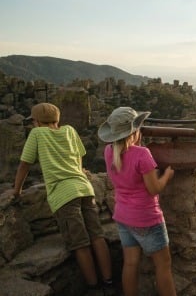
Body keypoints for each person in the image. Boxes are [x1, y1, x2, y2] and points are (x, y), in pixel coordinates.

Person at [11, 102, 114, 294]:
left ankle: (93, 288)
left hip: (64, 195)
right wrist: (79, 171)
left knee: (80, 243)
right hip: (85, 189)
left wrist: (17, 191)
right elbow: (79, 157)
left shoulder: (37, 134)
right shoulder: (69, 130)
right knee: (97, 236)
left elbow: (24, 165)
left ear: (37, 121)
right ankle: (108, 283)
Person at [98, 107, 177, 296]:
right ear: (134, 131)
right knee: (164, 266)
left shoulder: (109, 152)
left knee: (131, 263)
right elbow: (154, 188)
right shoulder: (142, 154)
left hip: (123, 216)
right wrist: (167, 175)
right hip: (146, 218)